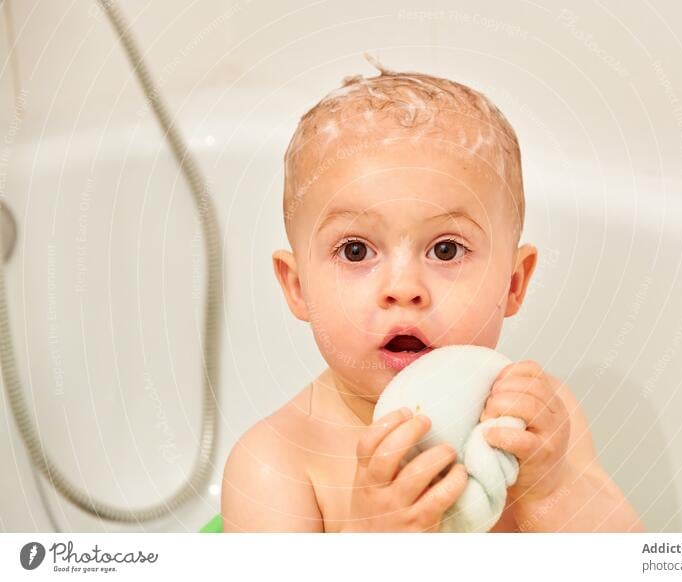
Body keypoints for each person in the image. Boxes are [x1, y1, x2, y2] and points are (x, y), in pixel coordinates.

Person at [222, 56, 644, 533]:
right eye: (356, 250)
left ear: (513, 283)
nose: (404, 288)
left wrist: (553, 489)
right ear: (298, 288)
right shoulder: (278, 466)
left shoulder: (536, 421)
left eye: (446, 250)